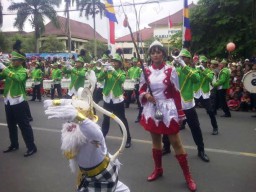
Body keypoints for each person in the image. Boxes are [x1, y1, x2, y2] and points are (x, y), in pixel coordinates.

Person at [43, 88, 130, 192]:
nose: (71, 125)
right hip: (88, 176)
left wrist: (79, 118)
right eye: (69, 121)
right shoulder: (74, 134)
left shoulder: (91, 133)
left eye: (75, 122)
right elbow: (69, 153)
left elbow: (97, 134)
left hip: (102, 178)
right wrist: (56, 102)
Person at [139, 41, 196, 191]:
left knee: (176, 142)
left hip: (168, 109)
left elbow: (177, 93)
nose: (156, 55)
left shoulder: (171, 70)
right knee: (156, 140)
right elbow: (140, 89)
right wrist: (145, 94)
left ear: (163, 54)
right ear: (150, 55)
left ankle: (188, 176)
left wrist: (180, 112)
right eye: (153, 52)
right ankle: (158, 169)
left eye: (158, 52)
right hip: (153, 109)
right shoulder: (145, 71)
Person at [0, 46, 37, 157]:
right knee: (11, 125)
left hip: (18, 101)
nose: (13, 61)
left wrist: (4, 67)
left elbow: (18, 79)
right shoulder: (9, 68)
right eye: (12, 60)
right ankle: (14, 144)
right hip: (8, 101)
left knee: (24, 125)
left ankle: (31, 147)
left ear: (21, 61)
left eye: (15, 60)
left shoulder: (24, 71)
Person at [174, 49, 210, 162]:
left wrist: (184, 65)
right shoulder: (176, 69)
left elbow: (196, 79)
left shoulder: (193, 70)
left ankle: (201, 150)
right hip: (175, 104)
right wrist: (174, 63)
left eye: (184, 57)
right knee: (169, 126)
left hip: (188, 104)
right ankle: (166, 147)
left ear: (189, 60)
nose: (181, 59)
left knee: (195, 128)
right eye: (180, 57)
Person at [98, 53, 132, 148]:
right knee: (106, 119)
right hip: (107, 98)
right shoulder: (107, 71)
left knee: (121, 120)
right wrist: (104, 71)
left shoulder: (122, 72)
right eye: (112, 61)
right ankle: (102, 138)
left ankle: (127, 139)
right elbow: (99, 78)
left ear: (119, 64)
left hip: (117, 100)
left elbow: (121, 80)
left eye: (115, 62)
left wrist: (113, 71)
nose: (113, 63)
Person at [194, 55, 219, 135]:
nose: (201, 64)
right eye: (200, 62)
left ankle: (215, 128)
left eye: (203, 62)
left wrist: (203, 70)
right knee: (189, 110)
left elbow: (210, 79)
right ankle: (183, 124)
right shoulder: (196, 70)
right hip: (196, 93)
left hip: (205, 94)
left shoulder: (210, 71)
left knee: (210, 112)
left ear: (206, 63)